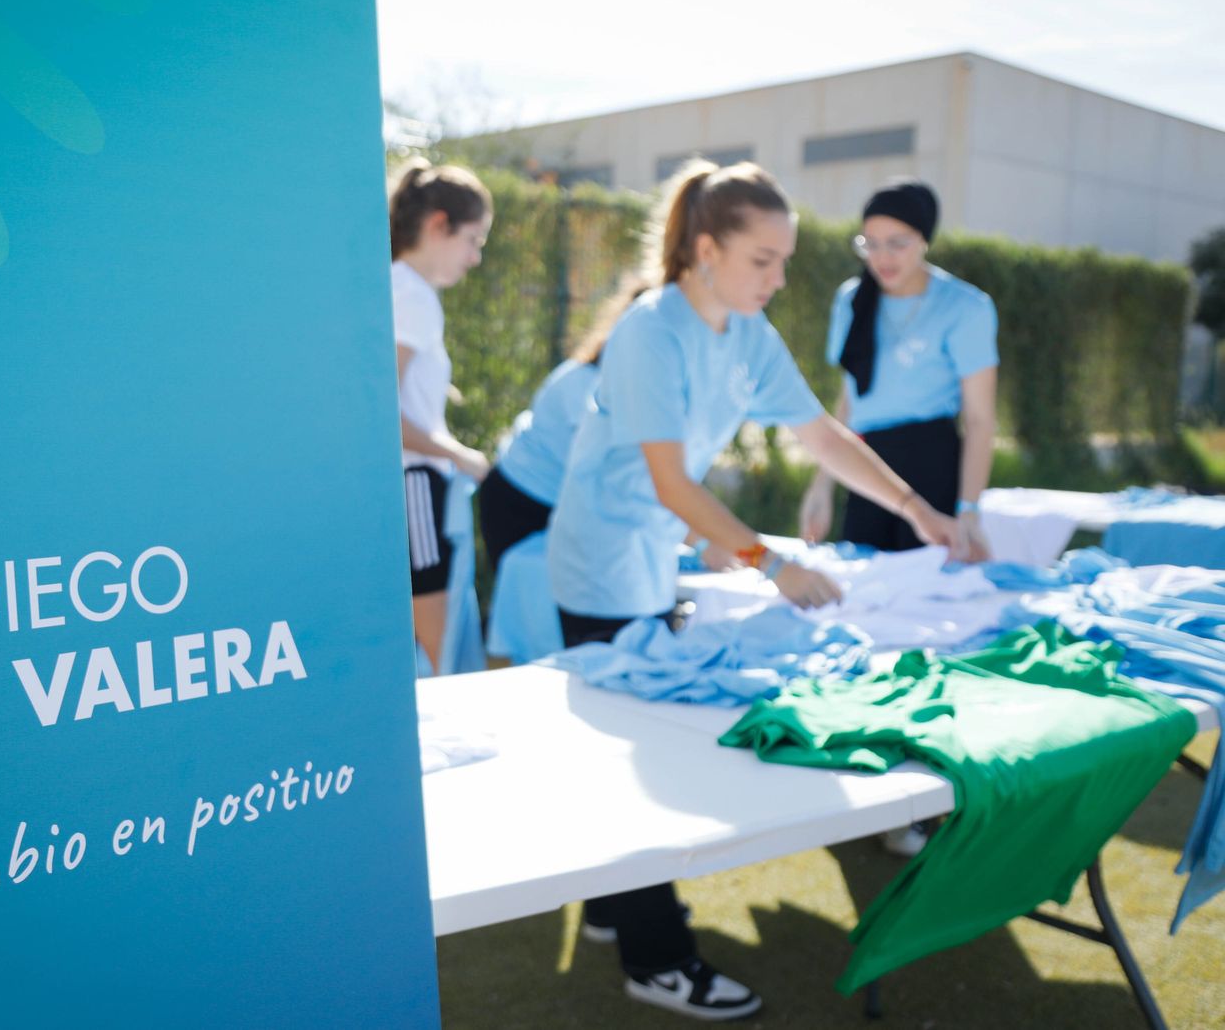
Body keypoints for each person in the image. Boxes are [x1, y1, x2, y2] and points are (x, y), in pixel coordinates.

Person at [546, 159, 964, 1019]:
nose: (779, 278)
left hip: (652, 560)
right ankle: (655, 957)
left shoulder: (745, 332)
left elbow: (821, 434)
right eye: (762, 260)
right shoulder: (650, 332)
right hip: (598, 562)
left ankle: (613, 902)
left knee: (640, 740)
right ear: (706, 249)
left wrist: (917, 506)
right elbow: (671, 483)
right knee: (642, 756)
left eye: (784, 260)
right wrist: (774, 567)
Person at [799, 179, 997, 560]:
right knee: (865, 588)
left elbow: (979, 419)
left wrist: (968, 511)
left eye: (897, 243)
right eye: (870, 243)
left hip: (932, 463)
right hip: (866, 465)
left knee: (931, 593)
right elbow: (849, 400)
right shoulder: (852, 301)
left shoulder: (965, 307)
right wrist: (822, 486)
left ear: (924, 239)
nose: (882, 257)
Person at [389, 158, 493, 676]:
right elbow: (383, 414)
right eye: (472, 240)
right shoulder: (412, 295)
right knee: (434, 655)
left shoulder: (397, 286)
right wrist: (463, 456)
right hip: (414, 484)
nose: (475, 258)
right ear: (437, 226)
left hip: (414, 486)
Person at [477, 275, 647, 581]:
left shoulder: (629, 385)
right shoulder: (589, 386)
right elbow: (608, 481)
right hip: (517, 504)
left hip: (551, 509)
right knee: (534, 610)